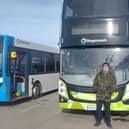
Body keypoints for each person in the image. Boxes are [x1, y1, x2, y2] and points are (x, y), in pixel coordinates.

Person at [93, 63, 116, 128]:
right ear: (102, 67)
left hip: (107, 96)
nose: (105, 68)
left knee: (107, 110)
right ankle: (98, 122)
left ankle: (108, 122)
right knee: (98, 110)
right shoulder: (98, 75)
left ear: (108, 68)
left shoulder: (112, 75)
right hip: (99, 96)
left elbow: (114, 85)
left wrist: (110, 91)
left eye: (106, 67)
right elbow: (94, 84)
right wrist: (97, 89)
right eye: (104, 67)